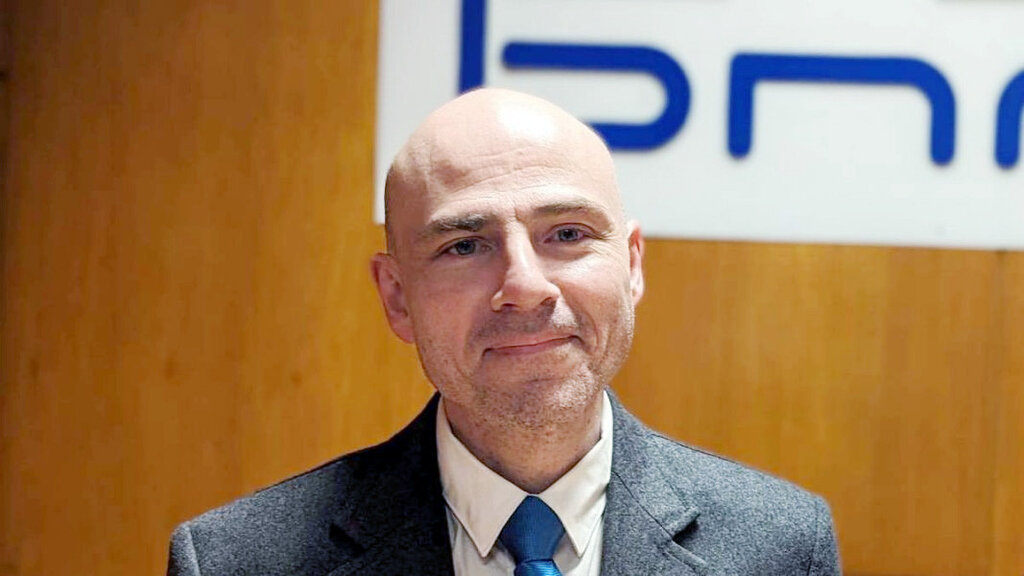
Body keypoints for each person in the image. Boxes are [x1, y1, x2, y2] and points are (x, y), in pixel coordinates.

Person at [166, 88, 841, 575]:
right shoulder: (233, 563)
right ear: (396, 297)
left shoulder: (782, 549)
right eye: (464, 245)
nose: (524, 285)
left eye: (567, 234)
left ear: (632, 265)